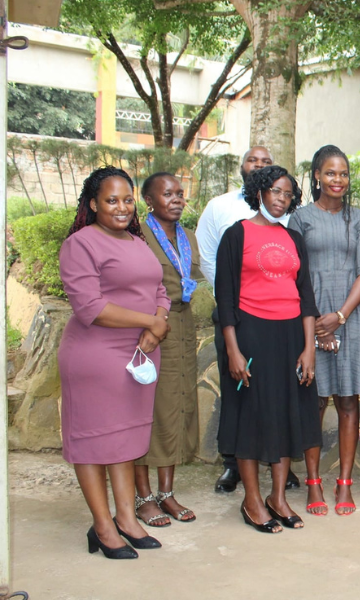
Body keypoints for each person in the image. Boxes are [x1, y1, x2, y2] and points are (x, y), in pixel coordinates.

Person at [58, 166, 170, 558]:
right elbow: (90, 306)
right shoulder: (81, 244)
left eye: (127, 200)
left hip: (137, 354)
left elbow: (159, 288)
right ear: (93, 204)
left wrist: (158, 325)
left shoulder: (137, 242)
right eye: (111, 200)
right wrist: (150, 322)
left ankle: (127, 519)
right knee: (93, 443)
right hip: (95, 358)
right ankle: (103, 527)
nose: (121, 208)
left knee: (122, 440)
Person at [214, 166, 322, 534]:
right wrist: (233, 350)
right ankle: (252, 500)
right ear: (259, 191)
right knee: (252, 417)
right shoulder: (236, 235)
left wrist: (308, 348)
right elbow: (224, 299)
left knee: (286, 415)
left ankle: (278, 498)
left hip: (291, 335)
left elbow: (306, 297)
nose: (281, 198)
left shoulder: (294, 238)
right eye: (275, 191)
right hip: (251, 335)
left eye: (288, 194)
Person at [194, 146, 300, 493]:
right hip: (240, 319)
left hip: (283, 326)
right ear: (254, 181)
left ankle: (276, 466)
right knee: (241, 395)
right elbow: (212, 259)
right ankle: (234, 466)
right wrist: (236, 298)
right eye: (254, 161)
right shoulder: (222, 210)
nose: (280, 198)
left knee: (278, 399)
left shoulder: (289, 225)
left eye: (266, 161)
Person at [288, 145, 360, 517]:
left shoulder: (357, 219)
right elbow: (296, 274)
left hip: (350, 318)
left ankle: (344, 484)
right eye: (330, 173)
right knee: (315, 401)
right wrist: (318, 323)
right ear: (316, 177)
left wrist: (339, 317)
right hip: (310, 318)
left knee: (347, 402)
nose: (337, 180)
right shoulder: (300, 218)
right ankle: (313, 482)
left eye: (343, 174)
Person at [133, 173, 204, 528]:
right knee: (150, 408)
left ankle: (166, 492)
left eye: (180, 193)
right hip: (150, 327)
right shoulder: (137, 236)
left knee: (177, 406)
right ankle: (143, 496)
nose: (177, 199)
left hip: (183, 324)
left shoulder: (187, 237)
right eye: (167, 194)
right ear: (149, 199)